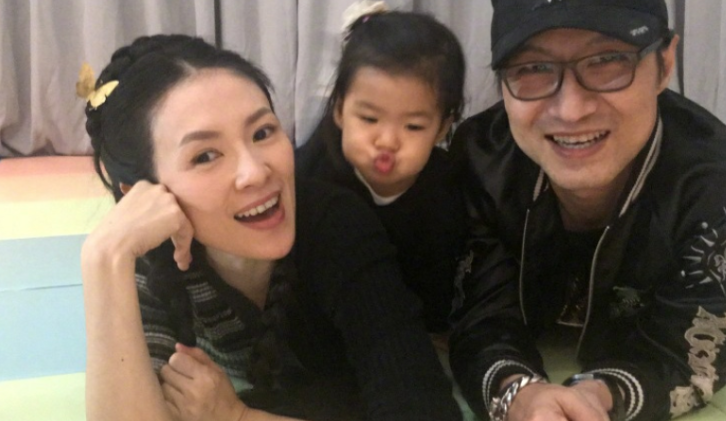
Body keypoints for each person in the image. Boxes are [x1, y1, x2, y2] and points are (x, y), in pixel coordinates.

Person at [448, 0, 726, 421]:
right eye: (533, 68)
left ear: (665, 64)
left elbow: (686, 350)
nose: (571, 110)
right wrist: (519, 395)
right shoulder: (479, 160)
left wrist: (595, 398)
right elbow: (478, 316)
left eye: (608, 61)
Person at [79, 35, 462, 421]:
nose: (256, 172)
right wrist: (103, 258)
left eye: (262, 133)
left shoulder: (335, 225)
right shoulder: (147, 254)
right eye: (205, 156)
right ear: (141, 193)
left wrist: (237, 417)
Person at [296, 0, 468, 334]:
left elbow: (438, 281)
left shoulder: (447, 189)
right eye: (369, 119)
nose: (387, 141)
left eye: (413, 126)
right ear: (339, 110)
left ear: (442, 129)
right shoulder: (310, 178)